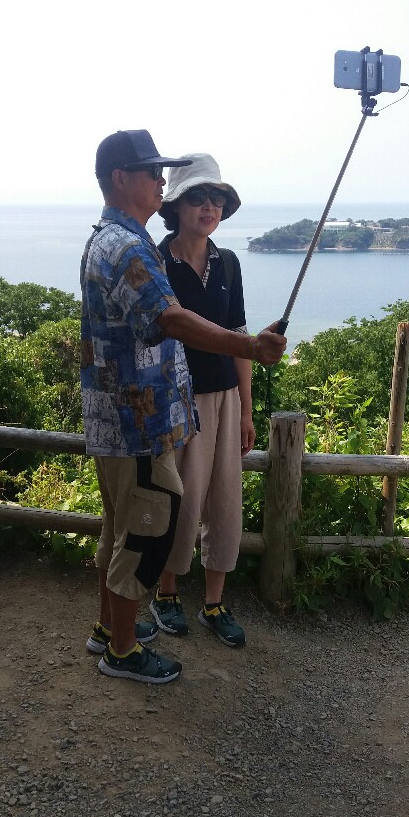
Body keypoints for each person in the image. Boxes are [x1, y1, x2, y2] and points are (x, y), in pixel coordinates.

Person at [81, 129, 287, 686]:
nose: (160, 181)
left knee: (121, 529)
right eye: (152, 172)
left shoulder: (112, 238)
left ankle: (107, 627)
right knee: (145, 532)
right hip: (138, 421)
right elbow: (169, 318)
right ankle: (123, 651)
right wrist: (248, 346)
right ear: (121, 178)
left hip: (119, 418)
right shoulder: (129, 248)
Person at [149, 155, 254, 647]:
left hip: (225, 399)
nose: (209, 206)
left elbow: (240, 339)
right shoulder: (156, 262)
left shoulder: (228, 262)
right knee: (181, 499)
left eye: (216, 198)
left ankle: (214, 602)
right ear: (175, 205)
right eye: (197, 197)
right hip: (176, 400)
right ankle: (166, 592)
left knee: (225, 501)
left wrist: (246, 410)